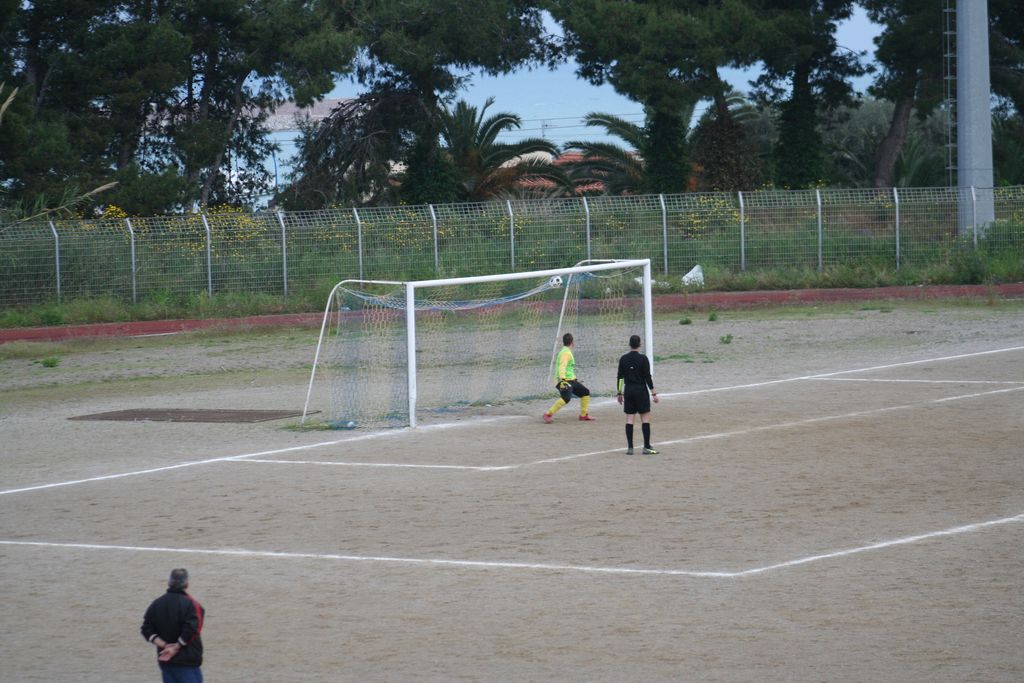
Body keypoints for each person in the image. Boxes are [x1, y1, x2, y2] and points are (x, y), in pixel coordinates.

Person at [141, 568, 206, 683]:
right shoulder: (192, 604)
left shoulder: (156, 604)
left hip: (165, 660)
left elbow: (146, 629)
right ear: (186, 584)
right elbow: (192, 630)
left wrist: (165, 645)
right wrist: (176, 647)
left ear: (169, 582)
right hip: (187, 661)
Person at [616, 334, 659, 454]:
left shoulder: (623, 359)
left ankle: (630, 448)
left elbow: (620, 377)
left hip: (629, 390)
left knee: (630, 418)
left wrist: (619, 393)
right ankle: (646, 447)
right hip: (641, 390)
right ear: (639, 345)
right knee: (645, 418)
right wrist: (654, 393)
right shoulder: (643, 359)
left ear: (629, 344)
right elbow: (647, 377)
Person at [544, 332, 595, 423]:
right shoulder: (565, 353)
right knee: (566, 398)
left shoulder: (566, 351)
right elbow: (562, 367)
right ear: (572, 342)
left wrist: (574, 378)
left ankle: (583, 415)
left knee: (585, 392)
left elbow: (567, 368)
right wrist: (563, 380)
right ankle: (548, 414)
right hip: (564, 380)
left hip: (571, 380)